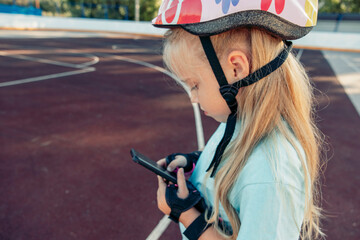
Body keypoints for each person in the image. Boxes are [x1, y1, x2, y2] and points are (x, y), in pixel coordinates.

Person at [153, 1, 324, 239]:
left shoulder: (271, 175)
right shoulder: (238, 122)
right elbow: (228, 160)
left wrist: (187, 216)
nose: (192, 98)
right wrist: (193, 163)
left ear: (236, 69)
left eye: (194, 85)